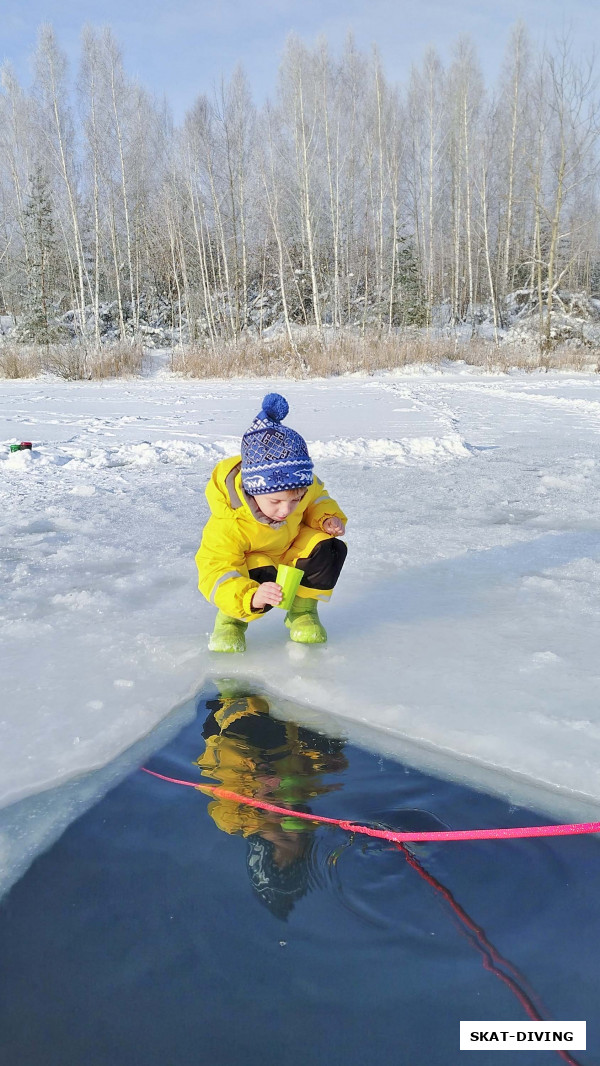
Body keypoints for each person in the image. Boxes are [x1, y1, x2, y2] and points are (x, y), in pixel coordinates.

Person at [195, 392, 347, 653]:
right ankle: (231, 622)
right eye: (276, 501)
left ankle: (303, 612)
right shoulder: (230, 522)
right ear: (253, 490)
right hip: (256, 567)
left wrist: (327, 517)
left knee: (327, 547)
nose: (286, 510)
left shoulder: (299, 485)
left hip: (289, 551)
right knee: (255, 570)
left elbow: (317, 498)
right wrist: (250, 596)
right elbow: (217, 571)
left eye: (296, 500)